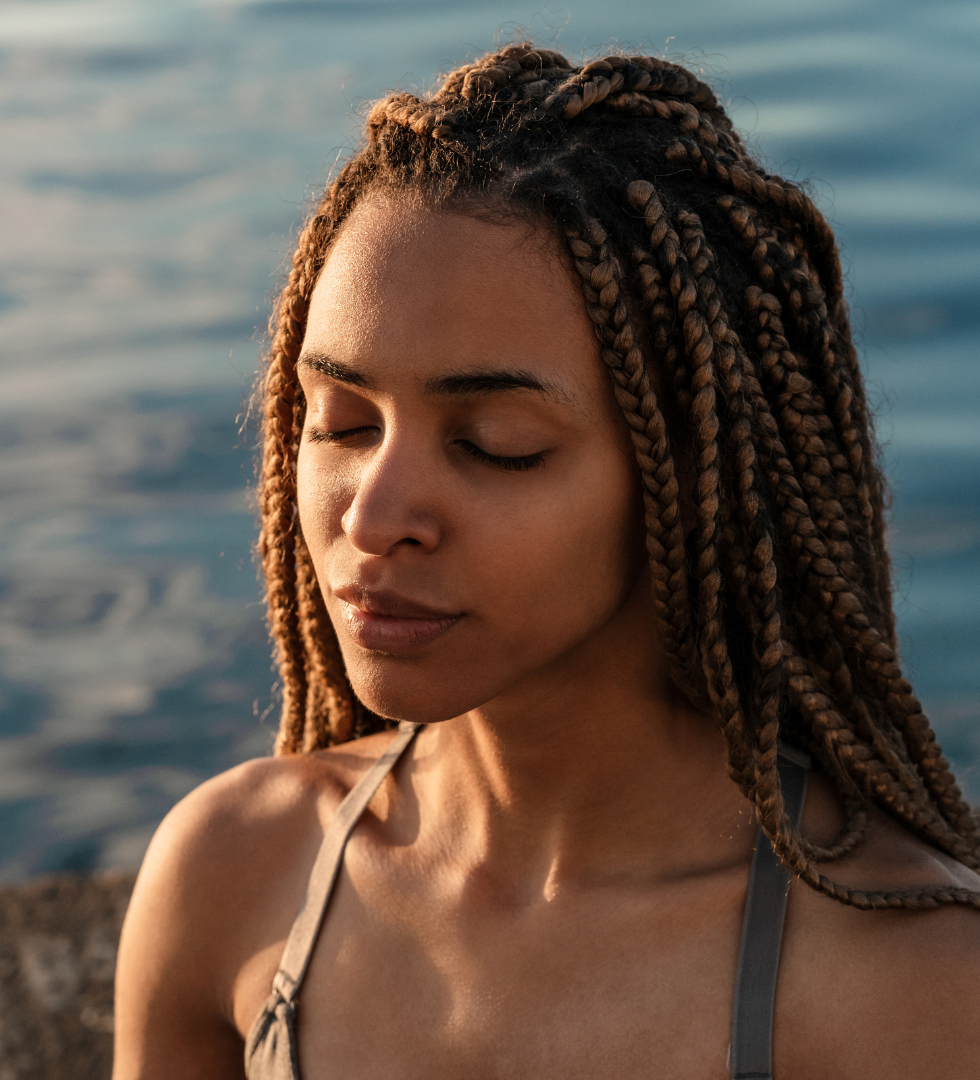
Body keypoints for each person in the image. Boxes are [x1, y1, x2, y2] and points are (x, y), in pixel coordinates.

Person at [112, 44, 980, 1080]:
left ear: (689, 479)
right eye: (340, 423)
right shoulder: (232, 877)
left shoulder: (904, 982)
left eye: (495, 445)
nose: (376, 515)